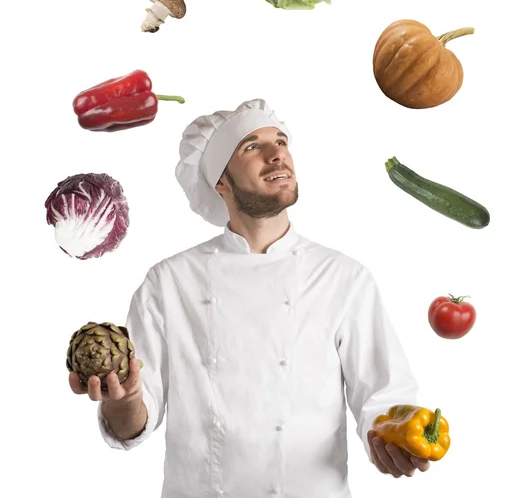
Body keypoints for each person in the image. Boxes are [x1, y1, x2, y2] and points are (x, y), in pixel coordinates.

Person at [69, 99, 431, 497]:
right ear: (220, 183)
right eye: (251, 146)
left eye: (280, 141)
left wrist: (391, 437)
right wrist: (127, 398)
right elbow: (132, 420)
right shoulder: (168, 283)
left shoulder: (343, 277)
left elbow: (385, 397)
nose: (277, 153)